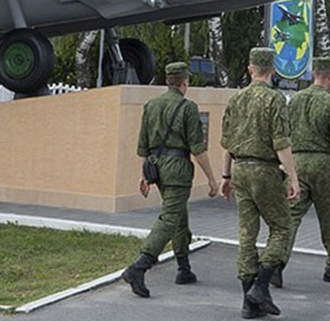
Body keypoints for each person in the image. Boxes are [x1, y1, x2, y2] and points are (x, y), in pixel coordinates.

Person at [122, 61, 219, 298]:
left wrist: (144, 175)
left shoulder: (151, 105)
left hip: (156, 168)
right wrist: (212, 179)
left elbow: (143, 146)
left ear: (168, 82)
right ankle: (139, 266)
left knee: (178, 216)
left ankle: (184, 268)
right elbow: (198, 147)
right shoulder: (188, 108)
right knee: (169, 218)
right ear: (185, 82)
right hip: (177, 170)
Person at [218, 47, 298, 318]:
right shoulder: (275, 100)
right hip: (265, 170)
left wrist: (225, 176)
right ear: (273, 70)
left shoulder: (236, 100)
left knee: (246, 234)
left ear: (250, 69)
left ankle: (247, 302)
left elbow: (226, 144)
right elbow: (282, 143)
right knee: (282, 228)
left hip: (240, 169)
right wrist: (292, 177)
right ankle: (261, 286)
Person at [281, 56, 330, 286]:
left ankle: (277, 263)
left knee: (291, 217)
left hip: (297, 163)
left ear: (314, 75)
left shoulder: (295, 100)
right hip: (323, 164)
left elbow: (285, 132)